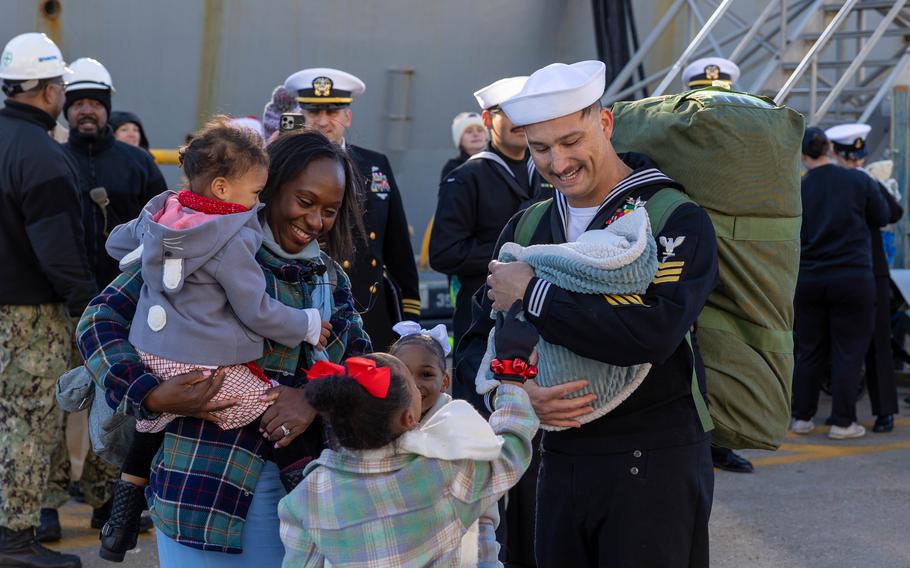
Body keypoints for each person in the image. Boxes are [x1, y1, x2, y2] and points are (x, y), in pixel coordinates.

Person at [458, 60, 718, 567]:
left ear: (605, 123)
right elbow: (475, 339)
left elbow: (651, 334)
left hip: (653, 458)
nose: (558, 162)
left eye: (571, 141)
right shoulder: (528, 225)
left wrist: (535, 295)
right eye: (540, 148)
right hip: (550, 460)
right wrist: (512, 392)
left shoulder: (672, 217)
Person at [77, 130, 370, 567]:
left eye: (329, 211)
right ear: (267, 189)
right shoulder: (192, 246)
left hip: (298, 496)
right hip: (196, 488)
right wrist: (148, 393)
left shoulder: (328, 277)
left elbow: (361, 365)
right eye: (304, 202)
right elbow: (98, 322)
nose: (315, 222)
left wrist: (312, 399)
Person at [278, 302, 540, 567]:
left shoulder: (304, 497)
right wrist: (511, 374)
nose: (417, 386)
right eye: (410, 386)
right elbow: (511, 449)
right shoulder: (446, 474)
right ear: (409, 418)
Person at [0, 32, 95, 568]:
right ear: (50, 90)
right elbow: (58, 253)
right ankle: (14, 540)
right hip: (28, 317)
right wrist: (88, 304)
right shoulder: (42, 155)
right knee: (27, 424)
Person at [285, 67, 421, 350]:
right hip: (307, 309)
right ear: (301, 117)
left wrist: (409, 314)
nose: (323, 122)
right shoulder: (284, 168)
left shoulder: (375, 165)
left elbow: (398, 247)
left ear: (347, 116)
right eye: (313, 113)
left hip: (368, 313)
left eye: (332, 112)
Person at [791, 127, 891, 440]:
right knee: (848, 351)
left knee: (808, 350)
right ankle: (843, 422)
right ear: (831, 149)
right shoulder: (859, 181)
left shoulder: (798, 187)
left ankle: (801, 417)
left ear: (804, 156)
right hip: (852, 277)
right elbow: (884, 214)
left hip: (808, 278)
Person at [680, 55, 754, 474]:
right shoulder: (673, 136)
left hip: (731, 254)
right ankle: (699, 440)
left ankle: (721, 440)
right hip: (685, 253)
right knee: (685, 354)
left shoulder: (743, 139)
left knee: (726, 352)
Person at [825, 123, 902, 434]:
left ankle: (882, 410)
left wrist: (872, 183)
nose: (856, 164)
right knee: (844, 345)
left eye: (858, 159)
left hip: (862, 269)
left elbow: (894, 213)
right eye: (852, 158)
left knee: (877, 344)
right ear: (837, 154)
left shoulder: (860, 181)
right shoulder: (831, 183)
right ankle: (848, 413)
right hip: (851, 271)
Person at [441, 111, 487, 180]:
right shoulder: (452, 168)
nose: (475, 134)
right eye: (469, 131)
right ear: (459, 139)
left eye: (480, 130)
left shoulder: (496, 163)